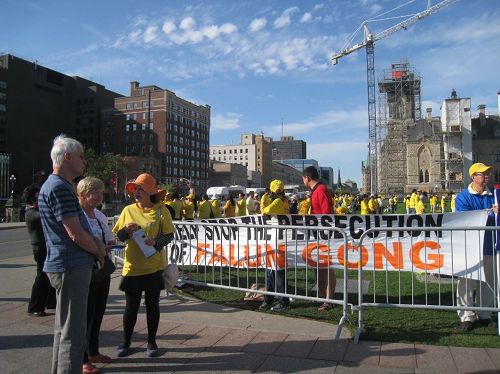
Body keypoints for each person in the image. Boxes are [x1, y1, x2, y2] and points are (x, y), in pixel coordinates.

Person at [39, 135, 106, 374]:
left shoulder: (56, 185)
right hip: (71, 266)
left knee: (63, 329)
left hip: (66, 265)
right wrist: (98, 250)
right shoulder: (60, 187)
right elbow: (75, 233)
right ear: (67, 157)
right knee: (73, 334)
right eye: (81, 157)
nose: (84, 162)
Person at [112, 173, 175, 357]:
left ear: (150, 192)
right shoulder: (128, 210)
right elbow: (118, 237)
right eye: (135, 189)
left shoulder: (162, 210)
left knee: (152, 306)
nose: (136, 192)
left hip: (154, 267)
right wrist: (126, 230)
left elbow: (169, 235)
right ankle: (125, 341)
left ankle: (151, 342)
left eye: (140, 189)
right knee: (130, 307)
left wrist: (155, 243)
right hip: (132, 267)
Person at [455, 163, 499, 332]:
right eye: (483, 174)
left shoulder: (493, 195)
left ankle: (485, 313)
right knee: (466, 282)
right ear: (474, 177)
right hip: (470, 246)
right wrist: (490, 212)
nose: (487, 176)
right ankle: (466, 316)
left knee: (489, 281)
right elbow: (465, 217)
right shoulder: (463, 196)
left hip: (489, 244)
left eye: (488, 173)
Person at [77, 177, 114, 373]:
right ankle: (83, 360)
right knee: (85, 314)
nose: (99, 196)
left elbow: (107, 237)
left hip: (102, 269)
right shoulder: (77, 215)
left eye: (101, 193)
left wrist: (110, 243)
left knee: (98, 312)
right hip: (86, 270)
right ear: (82, 195)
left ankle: (93, 351)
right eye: (95, 193)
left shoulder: (99, 215)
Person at [302, 166, 335, 311]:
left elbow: (326, 212)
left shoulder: (320, 190)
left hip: (323, 235)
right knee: (318, 268)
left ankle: (328, 300)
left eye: (303, 178)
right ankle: (323, 298)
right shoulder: (315, 191)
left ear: (307, 178)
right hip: (316, 235)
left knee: (325, 269)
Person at [25, 184, 56, 317]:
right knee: (42, 277)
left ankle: (50, 302)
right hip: (41, 249)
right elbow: (49, 216)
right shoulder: (31, 213)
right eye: (38, 197)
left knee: (51, 275)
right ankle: (34, 307)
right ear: (32, 199)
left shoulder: (37, 211)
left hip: (48, 247)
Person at [259, 179, 290, 313]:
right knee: (270, 272)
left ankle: (283, 301)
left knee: (276, 272)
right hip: (275, 241)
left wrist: (262, 200)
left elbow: (265, 210)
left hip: (278, 241)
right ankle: (268, 298)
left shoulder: (277, 202)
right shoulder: (284, 201)